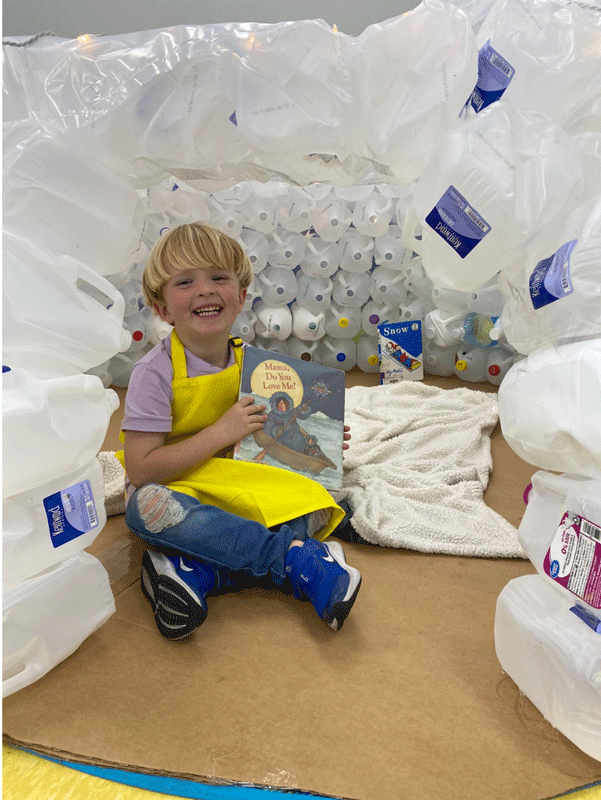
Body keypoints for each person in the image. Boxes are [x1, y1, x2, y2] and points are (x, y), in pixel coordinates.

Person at [115, 222, 361, 640]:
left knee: (317, 502)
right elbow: (141, 470)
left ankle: (196, 571)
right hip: (183, 486)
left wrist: (317, 442)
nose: (206, 290)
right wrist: (220, 433)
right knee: (148, 508)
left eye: (219, 278)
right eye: (186, 281)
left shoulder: (259, 366)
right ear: (162, 308)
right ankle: (292, 562)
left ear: (241, 296)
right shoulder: (152, 374)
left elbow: (274, 434)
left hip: (240, 483)